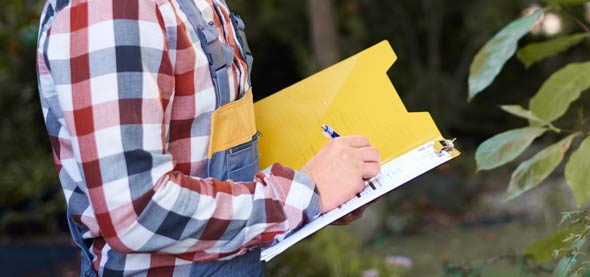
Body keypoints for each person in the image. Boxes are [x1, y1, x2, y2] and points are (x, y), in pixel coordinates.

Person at [35, 0, 380, 275]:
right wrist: (304, 193)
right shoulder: (111, 11)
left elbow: (207, 145)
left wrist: (321, 186)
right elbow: (137, 212)